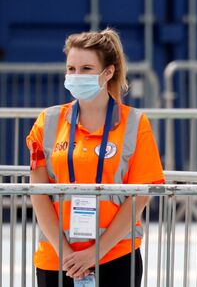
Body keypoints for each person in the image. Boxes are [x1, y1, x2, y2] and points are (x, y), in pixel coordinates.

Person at [26, 28, 165, 287]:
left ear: (108, 72)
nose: (76, 76)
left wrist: (95, 253)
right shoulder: (48, 122)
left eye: (86, 69)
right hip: (56, 258)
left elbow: (140, 196)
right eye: (71, 69)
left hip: (116, 255)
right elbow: (38, 193)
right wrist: (68, 254)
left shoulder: (135, 123)